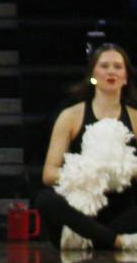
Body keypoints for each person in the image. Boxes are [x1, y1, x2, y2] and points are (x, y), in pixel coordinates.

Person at [32, 44, 137, 251]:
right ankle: (113, 241)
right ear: (93, 74)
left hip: (120, 208)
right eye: (104, 66)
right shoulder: (70, 116)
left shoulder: (135, 117)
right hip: (79, 209)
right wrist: (88, 174)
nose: (111, 71)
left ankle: (95, 237)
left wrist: (119, 172)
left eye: (118, 66)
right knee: (45, 199)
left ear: (125, 77)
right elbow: (49, 173)